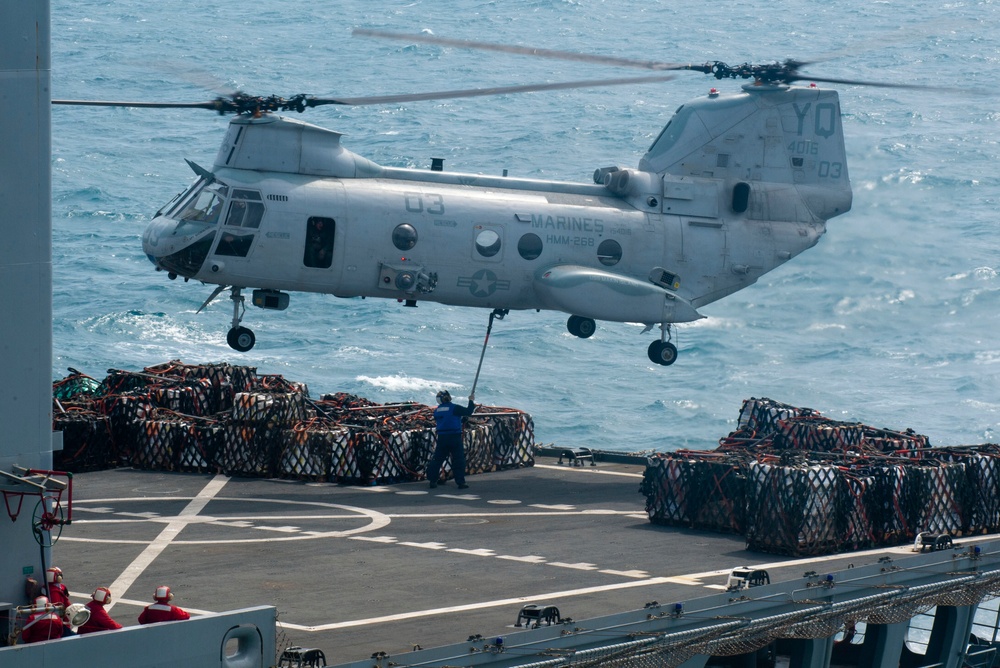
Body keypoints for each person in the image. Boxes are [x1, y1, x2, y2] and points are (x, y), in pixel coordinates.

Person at [427, 389, 476, 489]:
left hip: (442, 438)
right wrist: (471, 401)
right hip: (454, 437)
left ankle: (432, 480)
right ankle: (460, 482)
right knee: (458, 460)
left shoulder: (437, 411)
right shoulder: (455, 408)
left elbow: (446, 419)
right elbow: (468, 411)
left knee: (437, 460)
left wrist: (460, 420)